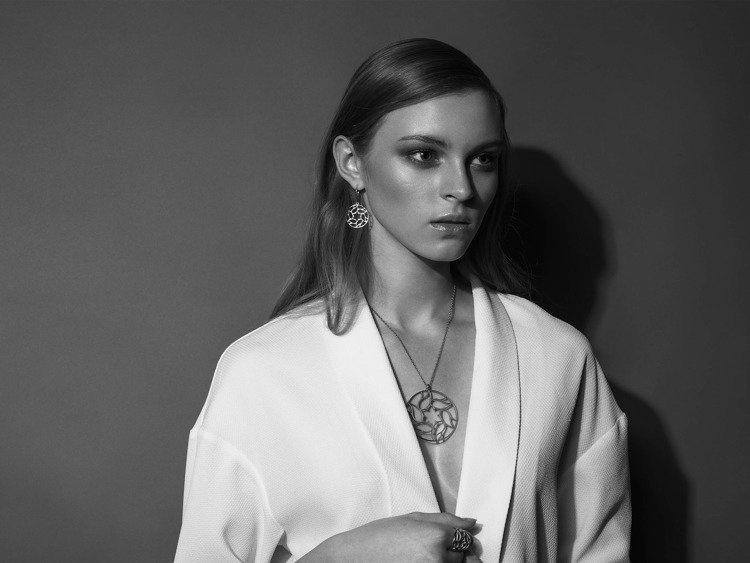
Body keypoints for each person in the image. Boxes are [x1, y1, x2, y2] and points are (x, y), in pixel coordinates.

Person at [174, 38, 631, 562]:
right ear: (352, 163)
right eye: (424, 155)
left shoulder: (557, 356)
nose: (462, 188)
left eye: (483, 160)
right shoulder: (263, 373)